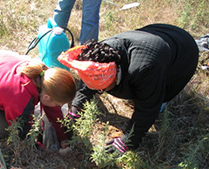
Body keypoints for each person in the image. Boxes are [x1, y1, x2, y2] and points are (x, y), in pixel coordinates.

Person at [58, 23, 199, 153]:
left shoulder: (145, 69)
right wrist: (75, 110)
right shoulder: (99, 53)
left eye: (103, 89)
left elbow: (147, 108)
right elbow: (89, 82)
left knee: (156, 100)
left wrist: (127, 140)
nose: (101, 92)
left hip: (183, 53)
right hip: (157, 34)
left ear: (115, 75)